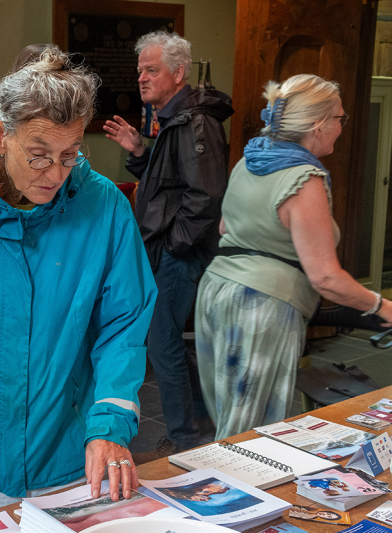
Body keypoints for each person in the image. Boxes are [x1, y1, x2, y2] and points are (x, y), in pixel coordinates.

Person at [0, 46, 157, 524]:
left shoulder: (103, 207)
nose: (56, 175)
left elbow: (124, 323)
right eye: (39, 156)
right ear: (1, 135)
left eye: (70, 155)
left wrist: (110, 423)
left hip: (69, 446)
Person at [194, 74, 392, 440]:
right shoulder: (304, 178)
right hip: (260, 308)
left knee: (230, 421)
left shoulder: (250, 161)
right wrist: (384, 307)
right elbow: (326, 278)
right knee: (249, 434)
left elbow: (226, 227)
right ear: (318, 127)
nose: (341, 125)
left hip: (216, 292)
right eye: (339, 118)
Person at [103, 31, 233, 462]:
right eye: (140, 69)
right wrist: (140, 152)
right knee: (167, 342)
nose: (141, 77)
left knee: (161, 344)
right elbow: (169, 186)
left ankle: (184, 439)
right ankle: (200, 421)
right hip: (167, 249)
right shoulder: (172, 119)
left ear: (178, 73)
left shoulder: (196, 121)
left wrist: (174, 245)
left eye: (151, 69)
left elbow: (205, 196)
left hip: (179, 254)